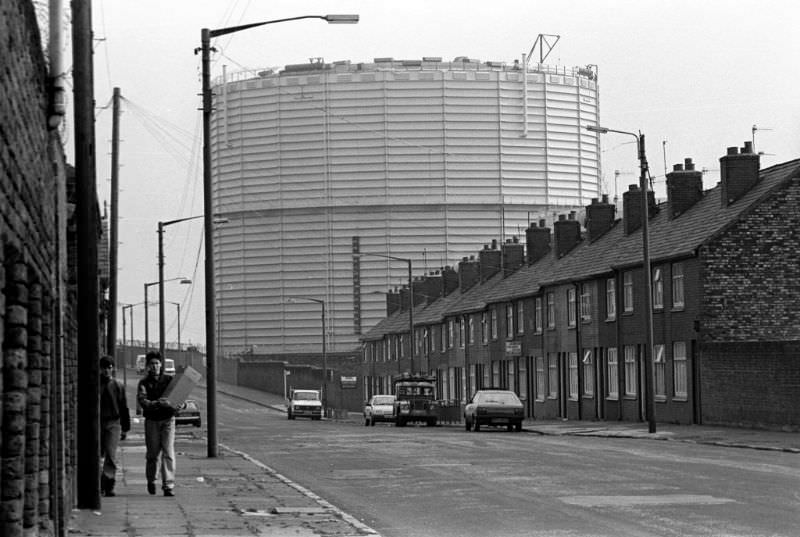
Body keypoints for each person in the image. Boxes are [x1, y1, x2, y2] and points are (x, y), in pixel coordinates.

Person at [136, 351, 180, 497]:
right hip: (152, 421)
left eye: (157, 363)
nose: (155, 366)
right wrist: (158, 404)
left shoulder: (169, 380)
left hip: (168, 419)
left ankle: (168, 485)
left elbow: (178, 398)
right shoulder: (143, 383)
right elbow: (143, 401)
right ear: (148, 366)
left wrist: (179, 405)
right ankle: (151, 480)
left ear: (161, 365)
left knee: (168, 451)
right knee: (152, 454)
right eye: (152, 364)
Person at [99, 355, 130, 497]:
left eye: (109, 368)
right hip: (99, 422)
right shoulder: (96, 385)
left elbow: (124, 407)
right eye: (104, 368)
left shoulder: (118, 386)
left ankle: (109, 483)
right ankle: (100, 483)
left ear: (113, 369)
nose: (106, 371)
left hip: (113, 422)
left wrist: (125, 427)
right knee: (98, 454)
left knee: (111, 454)